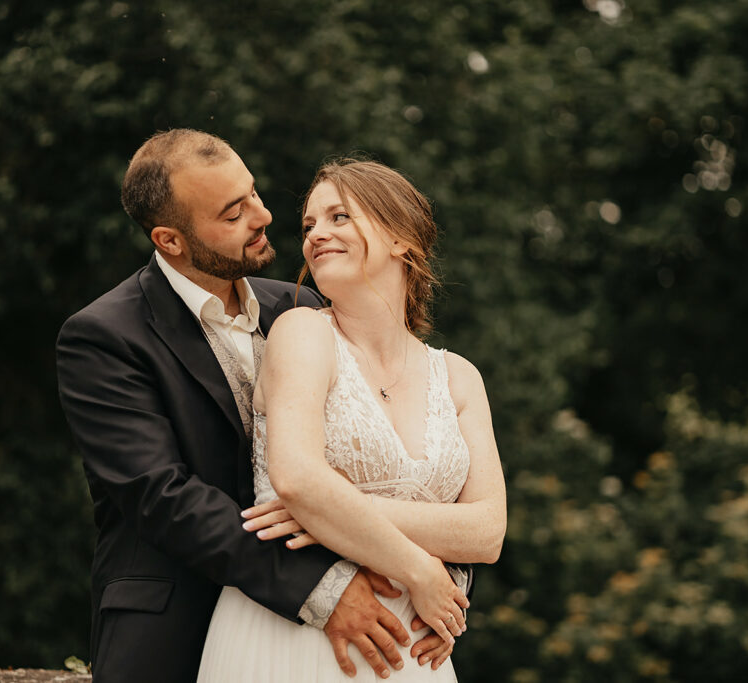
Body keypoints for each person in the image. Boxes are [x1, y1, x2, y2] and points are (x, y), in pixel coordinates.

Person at [55, 131, 459, 681]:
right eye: (232, 213)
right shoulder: (104, 337)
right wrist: (323, 586)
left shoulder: (302, 305)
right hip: (177, 627)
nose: (264, 215)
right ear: (170, 240)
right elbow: (164, 498)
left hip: (357, 635)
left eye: (253, 193)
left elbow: (392, 459)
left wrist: (438, 582)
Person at [198, 159, 507, 681]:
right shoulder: (302, 333)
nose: (317, 234)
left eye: (339, 217)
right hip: (298, 636)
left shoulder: (458, 376)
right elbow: (295, 479)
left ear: (400, 239)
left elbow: (487, 532)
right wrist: (421, 568)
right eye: (310, 225)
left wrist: (334, 509)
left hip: (416, 649)